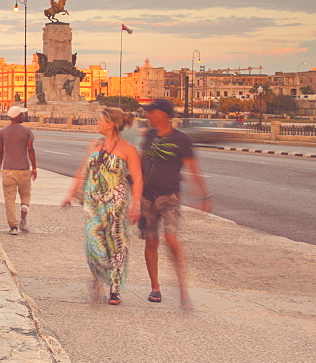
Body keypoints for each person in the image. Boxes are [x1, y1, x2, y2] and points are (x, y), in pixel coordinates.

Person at [61, 107, 143, 305]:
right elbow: (82, 172)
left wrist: (136, 205)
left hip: (117, 206)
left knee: (116, 246)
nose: (97, 123)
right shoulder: (94, 145)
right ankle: (98, 277)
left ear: (111, 124)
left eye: (100, 120)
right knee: (92, 245)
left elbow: (138, 179)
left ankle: (114, 288)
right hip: (92, 205)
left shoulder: (128, 149)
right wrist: (70, 194)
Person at [139, 98, 212, 308]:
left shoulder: (182, 140)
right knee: (151, 241)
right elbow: (141, 160)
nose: (148, 115)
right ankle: (155, 287)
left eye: (151, 112)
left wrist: (204, 196)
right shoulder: (149, 135)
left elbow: (194, 168)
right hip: (147, 196)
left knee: (171, 240)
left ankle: (183, 289)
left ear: (163, 114)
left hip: (169, 197)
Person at [0, 106, 37, 235]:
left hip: (8, 170)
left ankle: (13, 226)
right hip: (23, 169)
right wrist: (34, 167)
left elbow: (0, 151)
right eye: (21, 115)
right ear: (16, 116)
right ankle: (23, 220)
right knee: (25, 195)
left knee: (9, 199)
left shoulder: (2, 132)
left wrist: (0, 166)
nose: (23, 116)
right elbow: (30, 150)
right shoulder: (27, 131)